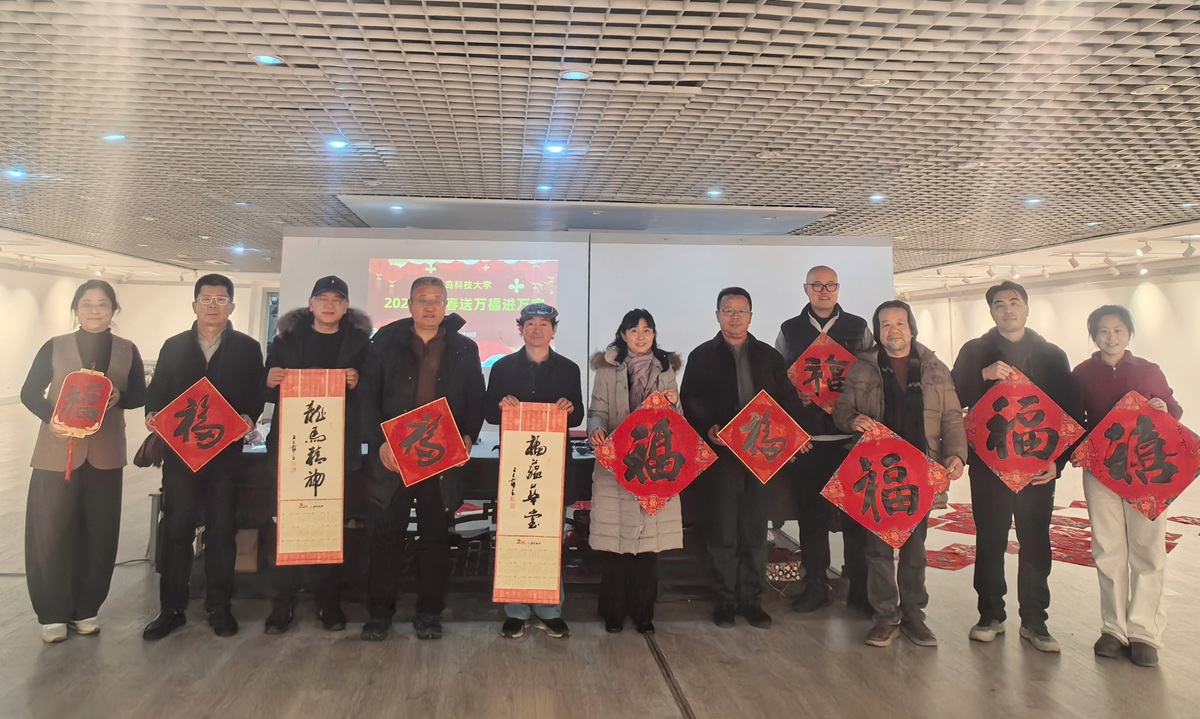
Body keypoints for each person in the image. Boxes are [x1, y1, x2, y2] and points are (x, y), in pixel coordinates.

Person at [950, 280, 1080, 652]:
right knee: (990, 538)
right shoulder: (975, 351)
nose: (1008, 309)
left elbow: (1070, 411)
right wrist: (982, 375)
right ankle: (990, 614)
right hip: (989, 463)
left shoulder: (1051, 355)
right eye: (999, 304)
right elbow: (951, 398)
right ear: (991, 311)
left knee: (1035, 540)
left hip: (1037, 466)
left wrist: (1058, 462)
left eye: (1014, 302)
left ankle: (1036, 620)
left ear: (1026, 307)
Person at [833, 300, 966, 647]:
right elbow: (842, 408)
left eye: (900, 323)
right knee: (877, 550)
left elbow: (952, 417)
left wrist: (956, 454)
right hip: (876, 471)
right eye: (886, 325)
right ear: (878, 331)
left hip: (920, 468)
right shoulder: (863, 368)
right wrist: (853, 420)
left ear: (911, 328)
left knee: (915, 550)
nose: (893, 330)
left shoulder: (935, 368)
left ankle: (913, 615)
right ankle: (885, 616)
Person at [358, 276, 484, 641]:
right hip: (392, 457)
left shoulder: (464, 347)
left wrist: (467, 434)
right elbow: (366, 395)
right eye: (422, 299)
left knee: (435, 539)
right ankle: (379, 614)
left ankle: (429, 613)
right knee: (386, 537)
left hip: (440, 456)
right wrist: (379, 441)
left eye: (437, 300)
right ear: (410, 305)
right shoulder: (385, 341)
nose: (430, 306)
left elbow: (475, 396)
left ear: (446, 305)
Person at [21, 280, 146, 643]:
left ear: (113, 310)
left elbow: (139, 394)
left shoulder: (127, 349)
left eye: (102, 304)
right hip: (56, 452)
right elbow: (29, 392)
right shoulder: (55, 346)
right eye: (87, 303)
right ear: (76, 309)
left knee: (100, 532)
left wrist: (120, 396)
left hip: (105, 454)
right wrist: (51, 420)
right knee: (50, 532)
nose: (94, 310)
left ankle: (86, 608)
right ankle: (52, 613)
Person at [143, 274, 265, 640]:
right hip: (181, 455)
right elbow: (158, 391)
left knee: (222, 529)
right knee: (176, 528)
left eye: (221, 299)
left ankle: (219, 606)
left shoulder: (247, 348)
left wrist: (249, 416)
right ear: (194, 304)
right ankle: (171, 609)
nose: (213, 305)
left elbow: (255, 394)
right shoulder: (174, 346)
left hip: (226, 455)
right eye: (206, 299)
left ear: (232, 306)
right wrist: (152, 414)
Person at [682, 286, 811, 629]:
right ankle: (725, 601)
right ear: (718, 315)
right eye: (728, 311)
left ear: (751, 316)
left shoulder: (770, 357)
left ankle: (752, 601)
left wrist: (796, 435)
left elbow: (787, 401)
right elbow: (690, 400)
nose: (735, 317)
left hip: (760, 459)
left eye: (741, 311)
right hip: (721, 458)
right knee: (721, 532)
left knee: (755, 532)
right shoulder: (701, 356)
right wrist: (708, 427)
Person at [1071, 305, 1181, 667]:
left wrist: (1163, 407)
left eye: (1118, 330)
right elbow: (1075, 419)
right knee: (1108, 547)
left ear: (1129, 333)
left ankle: (1145, 632)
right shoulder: (1082, 373)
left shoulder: (1148, 370)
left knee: (1148, 548)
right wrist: (1078, 449)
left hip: (1147, 470)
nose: (1111, 337)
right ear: (1094, 335)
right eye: (1103, 331)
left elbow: (1173, 410)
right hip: (1101, 471)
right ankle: (1114, 628)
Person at [262, 276, 372, 634]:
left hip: (337, 446)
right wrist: (270, 379)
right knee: (288, 523)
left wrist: (358, 381)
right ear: (310, 305)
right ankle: (283, 603)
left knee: (331, 524)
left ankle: (329, 602)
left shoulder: (361, 343)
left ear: (346, 307)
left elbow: (374, 389)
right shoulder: (286, 340)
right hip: (293, 447)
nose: (329, 305)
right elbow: (266, 388)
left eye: (337, 300)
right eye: (322, 298)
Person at [775, 265, 875, 614]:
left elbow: (872, 375)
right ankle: (815, 585)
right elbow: (779, 377)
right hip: (810, 439)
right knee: (812, 519)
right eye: (817, 285)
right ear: (805, 289)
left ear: (838, 288)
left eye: (830, 285)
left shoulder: (857, 327)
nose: (824, 291)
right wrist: (794, 393)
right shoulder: (790, 329)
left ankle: (859, 588)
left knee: (856, 519)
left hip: (850, 439)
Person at [484, 303, 584, 639]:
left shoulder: (568, 368)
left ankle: (549, 609)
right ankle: (516, 610)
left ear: (554, 330)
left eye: (544, 324)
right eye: (530, 324)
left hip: (552, 466)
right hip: (516, 465)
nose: (537, 330)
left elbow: (578, 415)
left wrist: (568, 407)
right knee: (514, 534)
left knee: (550, 537)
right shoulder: (502, 367)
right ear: (520, 329)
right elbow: (489, 413)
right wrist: (501, 405)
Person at [587, 309, 683, 635]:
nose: (641, 336)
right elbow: (597, 410)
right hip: (616, 463)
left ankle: (643, 613)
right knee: (615, 544)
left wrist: (673, 403)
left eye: (647, 330)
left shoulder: (666, 368)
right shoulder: (607, 369)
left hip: (653, 465)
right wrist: (596, 430)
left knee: (647, 545)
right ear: (623, 335)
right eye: (634, 330)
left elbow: (677, 418)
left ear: (654, 335)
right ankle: (613, 612)